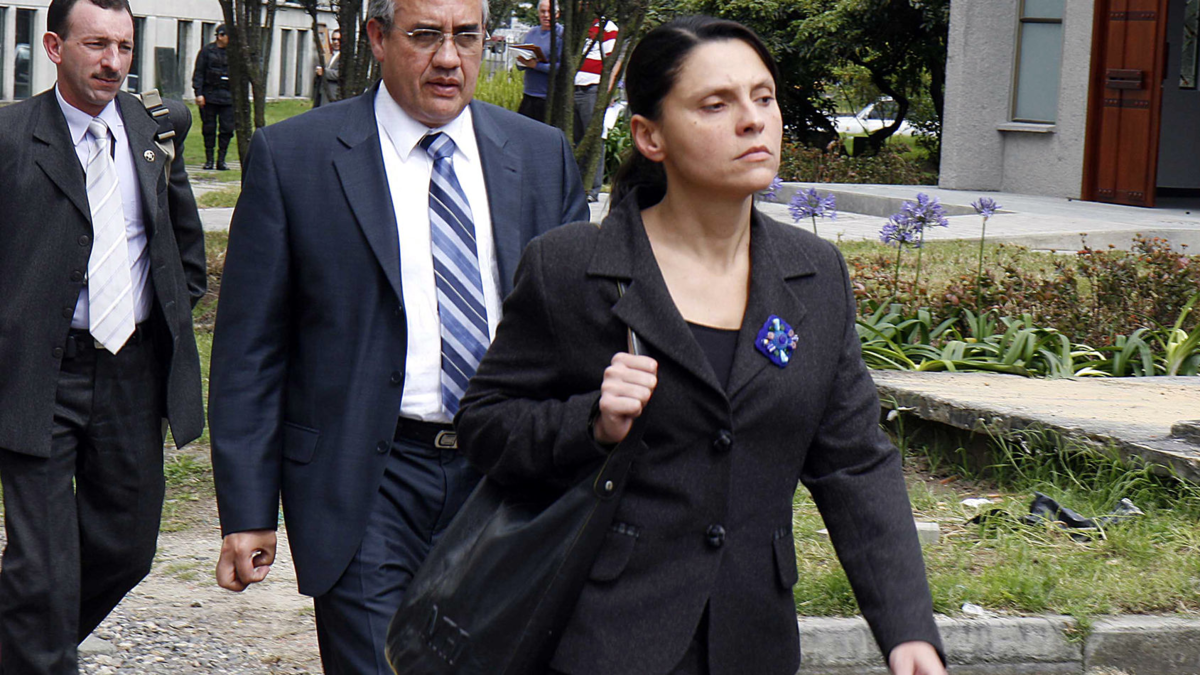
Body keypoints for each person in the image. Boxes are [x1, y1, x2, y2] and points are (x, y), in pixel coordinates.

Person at [456, 16, 947, 675]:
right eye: (716, 104)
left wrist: (908, 628)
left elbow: (854, 463)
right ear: (650, 136)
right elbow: (486, 425)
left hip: (753, 642)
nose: (753, 120)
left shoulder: (814, 274)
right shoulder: (571, 268)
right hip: (604, 640)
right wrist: (590, 424)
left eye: (763, 97)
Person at [206, 0, 589, 670]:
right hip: (365, 477)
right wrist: (247, 508)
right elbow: (250, 350)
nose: (448, 58)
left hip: (504, 473)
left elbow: (578, 331)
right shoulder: (296, 157)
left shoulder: (540, 155)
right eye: (426, 36)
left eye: (466, 37)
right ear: (378, 38)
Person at [0, 0, 206, 672]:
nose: (113, 62)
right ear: (54, 47)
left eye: (124, 46)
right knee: (39, 568)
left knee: (127, 548)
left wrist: (163, 317)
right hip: (40, 375)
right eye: (96, 45)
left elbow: (185, 254)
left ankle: (24, 640)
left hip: (131, 373)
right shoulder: (11, 138)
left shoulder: (154, 131)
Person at [573, 16, 618, 201]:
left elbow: (613, 61)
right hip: (573, 87)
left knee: (593, 138)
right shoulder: (577, 24)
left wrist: (608, 90)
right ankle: (576, 186)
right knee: (575, 139)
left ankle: (592, 187)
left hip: (592, 88)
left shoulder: (607, 27)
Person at [192, 23, 234, 170]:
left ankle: (221, 160)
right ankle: (209, 160)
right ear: (220, 36)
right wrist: (199, 93)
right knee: (209, 129)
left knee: (227, 129)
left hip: (228, 98)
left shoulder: (234, 53)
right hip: (209, 96)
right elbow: (199, 73)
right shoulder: (207, 51)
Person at [515, 0, 561, 122]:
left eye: (549, 12)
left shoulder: (560, 34)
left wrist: (536, 66)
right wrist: (521, 61)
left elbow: (562, 68)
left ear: (557, 14)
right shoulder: (532, 33)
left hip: (548, 96)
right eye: (542, 11)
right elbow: (521, 62)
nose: (546, 15)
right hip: (529, 93)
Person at [313, 29, 341, 107]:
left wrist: (324, 72)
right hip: (323, 93)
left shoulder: (345, 57)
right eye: (334, 39)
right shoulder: (332, 55)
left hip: (333, 95)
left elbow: (341, 74)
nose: (336, 42)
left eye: (339, 40)